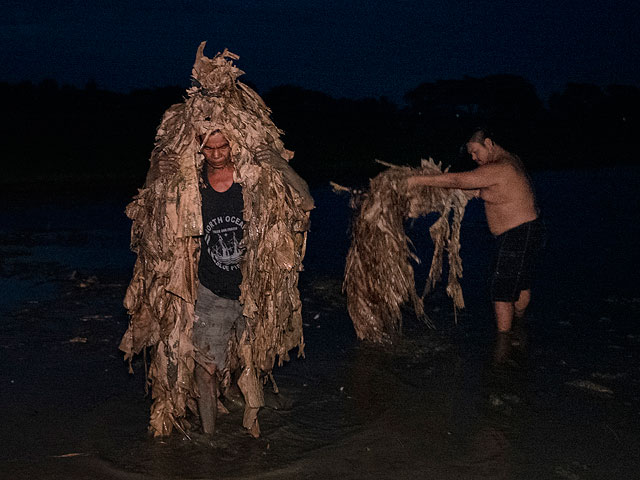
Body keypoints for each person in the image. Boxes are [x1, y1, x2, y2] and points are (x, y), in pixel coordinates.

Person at [120, 44, 314, 438]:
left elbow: (306, 202)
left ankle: (248, 409)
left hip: (252, 289)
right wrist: (159, 167)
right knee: (203, 369)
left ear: (234, 143)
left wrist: (279, 163)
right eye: (208, 148)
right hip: (209, 291)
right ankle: (209, 446)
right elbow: (149, 213)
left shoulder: (253, 179)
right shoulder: (189, 187)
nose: (216, 154)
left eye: (222, 146)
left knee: (249, 362)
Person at [407, 128, 545, 333]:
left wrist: (414, 180)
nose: (473, 157)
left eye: (475, 151)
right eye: (470, 154)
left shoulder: (501, 167)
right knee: (519, 283)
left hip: (517, 234)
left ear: (488, 143)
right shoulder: (510, 161)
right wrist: (466, 192)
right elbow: (491, 190)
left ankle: (503, 344)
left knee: (501, 291)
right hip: (530, 230)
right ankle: (520, 327)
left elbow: (458, 180)